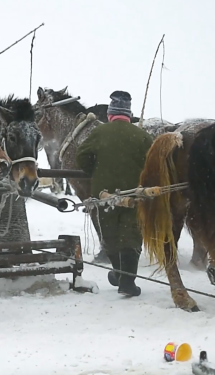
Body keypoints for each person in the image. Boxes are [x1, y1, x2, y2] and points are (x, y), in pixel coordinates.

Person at [75, 90, 153, 297]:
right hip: (134, 194)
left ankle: (119, 274)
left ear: (110, 114)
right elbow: (153, 165)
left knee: (110, 235)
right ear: (128, 115)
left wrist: (97, 171)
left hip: (104, 194)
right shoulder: (142, 136)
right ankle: (126, 281)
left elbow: (81, 156)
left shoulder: (99, 133)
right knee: (131, 236)